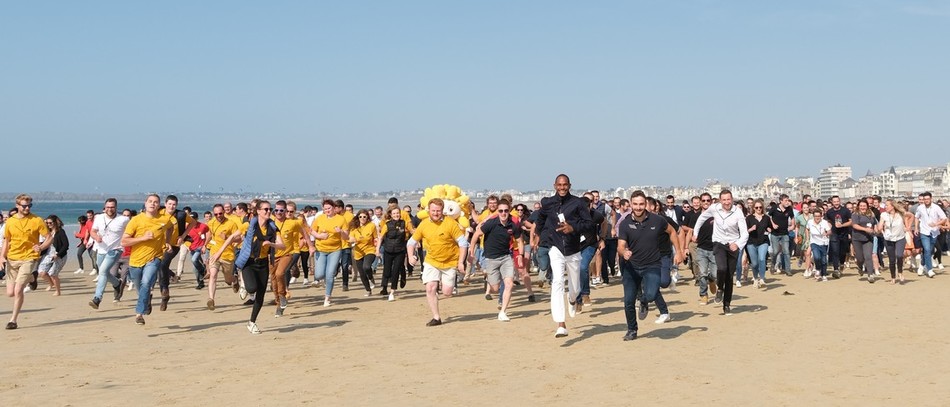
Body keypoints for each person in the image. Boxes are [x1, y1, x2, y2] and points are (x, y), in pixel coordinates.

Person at [617, 191, 685, 341]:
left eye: (641, 204)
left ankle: (644, 301)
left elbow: (672, 232)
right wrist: (624, 252)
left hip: (652, 265)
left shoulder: (657, 220)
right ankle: (632, 329)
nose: (638, 207)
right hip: (631, 266)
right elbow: (620, 245)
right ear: (631, 204)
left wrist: (679, 251)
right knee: (628, 300)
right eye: (635, 204)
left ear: (645, 204)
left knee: (652, 294)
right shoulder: (625, 223)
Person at [534, 174, 593, 338]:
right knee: (558, 281)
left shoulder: (578, 203)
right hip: (555, 248)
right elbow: (540, 220)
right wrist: (541, 235)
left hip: (574, 249)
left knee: (575, 287)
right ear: (554, 185)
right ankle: (561, 324)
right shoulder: (547, 202)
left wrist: (572, 227)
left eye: (565, 185)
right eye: (559, 185)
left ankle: (573, 299)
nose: (562, 187)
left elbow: (589, 224)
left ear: (569, 185)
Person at [407, 198, 468, 326]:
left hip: (449, 261)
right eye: (433, 210)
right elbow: (411, 242)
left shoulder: (450, 223)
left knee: (447, 292)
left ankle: (441, 285)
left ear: (442, 211)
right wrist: (410, 256)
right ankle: (436, 317)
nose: (436, 213)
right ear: (429, 210)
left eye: (438, 211)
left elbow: (463, 243)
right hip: (431, 261)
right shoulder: (423, 224)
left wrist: (461, 262)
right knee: (430, 288)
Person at [692, 190, 748, 315]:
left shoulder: (737, 212)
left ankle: (726, 304)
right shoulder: (714, 208)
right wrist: (695, 233)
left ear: (732, 199)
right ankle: (720, 289)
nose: (726, 202)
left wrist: (737, 244)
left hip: (733, 245)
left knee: (729, 276)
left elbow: (744, 233)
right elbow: (701, 218)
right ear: (720, 200)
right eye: (724, 200)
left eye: (729, 199)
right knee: (721, 268)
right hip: (718, 243)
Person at [120, 194, 173, 326]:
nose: (153, 204)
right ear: (145, 203)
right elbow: (124, 241)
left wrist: (167, 242)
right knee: (140, 288)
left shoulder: (164, 219)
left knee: (146, 283)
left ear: (159, 205)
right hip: (136, 261)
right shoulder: (136, 220)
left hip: (154, 257)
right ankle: (146, 299)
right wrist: (142, 238)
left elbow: (170, 227)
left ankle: (139, 313)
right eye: (150, 201)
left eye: (156, 202)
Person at [1, 194, 52, 329]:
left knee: (18, 290)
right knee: (10, 293)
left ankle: (13, 320)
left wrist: (41, 247)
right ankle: (31, 278)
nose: (27, 208)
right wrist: (2, 257)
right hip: (12, 259)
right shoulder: (10, 222)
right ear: (17, 206)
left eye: (29, 205)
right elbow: (7, 241)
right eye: (24, 206)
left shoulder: (37, 220)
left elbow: (49, 237)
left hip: (28, 258)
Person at [235, 201, 285, 334]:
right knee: (252, 288)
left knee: (260, 296)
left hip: (263, 263)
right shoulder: (249, 225)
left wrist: (271, 244)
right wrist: (218, 252)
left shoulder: (273, 228)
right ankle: (243, 284)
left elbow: (282, 245)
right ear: (258, 211)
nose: (269, 211)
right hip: (249, 262)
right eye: (265, 209)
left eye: (270, 209)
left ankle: (252, 322)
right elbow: (232, 237)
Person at [468, 199, 522, 322]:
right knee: (495, 288)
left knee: (509, 284)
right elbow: (476, 235)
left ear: (509, 211)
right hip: (491, 258)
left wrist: (520, 255)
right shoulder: (491, 223)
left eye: (506, 211)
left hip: (506, 257)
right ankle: (489, 280)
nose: (503, 213)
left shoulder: (512, 225)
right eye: (501, 211)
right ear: (498, 211)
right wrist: (471, 252)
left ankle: (503, 312)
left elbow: (519, 240)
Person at [88, 198, 130, 309]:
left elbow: (131, 232)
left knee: (102, 271)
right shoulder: (99, 218)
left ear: (116, 207)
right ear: (104, 207)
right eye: (107, 207)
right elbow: (93, 231)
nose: (109, 209)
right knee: (104, 272)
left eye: (112, 207)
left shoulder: (123, 219)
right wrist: (96, 237)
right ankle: (117, 283)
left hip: (116, 249)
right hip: (101, 249)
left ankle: (97, 298)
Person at [157, 195, 196, 311]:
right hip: (158, 245)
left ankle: (164, 290)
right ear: (165, 203)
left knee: (163, 264)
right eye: (169, 204)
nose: (172, 206)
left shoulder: (181, 215)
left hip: (174, 245)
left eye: (174, 204)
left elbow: (193, 223)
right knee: (158, 266)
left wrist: (183, 236)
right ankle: (164, 292)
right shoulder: (159, 212)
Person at [310, 199, 349, 307]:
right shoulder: (319, 218)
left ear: (334, 208)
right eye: (325, 208)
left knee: (330, 273)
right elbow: (311, 230)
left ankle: (327, 298)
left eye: (329, 208)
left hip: (335, 250)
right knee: (319, 274)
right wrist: (319, 236)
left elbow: (346, 236)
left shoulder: (341, 219)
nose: (327, 210)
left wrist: (341, 232)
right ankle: (323, 281)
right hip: (321, 249)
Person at [205, 204, 242, 311]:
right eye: (216, 214)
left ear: (223, 213)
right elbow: (209, 234)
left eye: (220, 213)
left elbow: (239, 239)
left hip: (228, 255)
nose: (218, 216)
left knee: (228, 279)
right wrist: (204, 245)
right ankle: (211, 299)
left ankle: (235, 281)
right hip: (214, 253)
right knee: (213, 275)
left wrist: (228, 238)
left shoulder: (231, 223)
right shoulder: (211, 223)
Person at [377, 207, 409, 301]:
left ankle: (392, 292)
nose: (396, 215)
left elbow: (413, 231)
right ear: (391, 215)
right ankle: (402, 272)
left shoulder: (404, 223)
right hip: (388, 250)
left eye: (398, 213)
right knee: (387, 272)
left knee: (395, 271)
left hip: (400, 250)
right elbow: (381, 237)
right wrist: (377, 250)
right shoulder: (387, 225)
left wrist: (416, 242)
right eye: (394, 213)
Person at [914, 192, 948, 278]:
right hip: (924, 232)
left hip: (934, 232)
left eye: (927, 199)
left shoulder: (936, 208)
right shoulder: (920, 208)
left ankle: (922, 265)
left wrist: (936, 224)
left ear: (931, 199)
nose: (926, 201)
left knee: (928, 251)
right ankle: (930, 269)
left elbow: (944, 218)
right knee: (927, 249)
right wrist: (916, 228)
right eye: (924, 199)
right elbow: (916, 217)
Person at [348, 209, 378, 297]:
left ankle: (371, 278)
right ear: (358, 217)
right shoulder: (354, 228)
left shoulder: (371, 226)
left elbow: (376, 237)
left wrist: (377, 248)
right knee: (361, 273)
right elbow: (350, 238)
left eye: (364, 217)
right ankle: (368, 290)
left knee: (367, 267)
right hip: (358, 252)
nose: (362, 218)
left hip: (370, 250)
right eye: (360, 217)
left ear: (367, 217)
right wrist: (352, 240)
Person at [37, 215, 68, 296]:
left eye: (50, 223)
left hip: (60, 255)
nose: (48, 224)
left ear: (55, 222)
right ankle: (51, 284)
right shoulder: (48, 233)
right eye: (47, 223)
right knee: (41, 272)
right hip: (49, 255)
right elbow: (44, 244)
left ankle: (58, 291)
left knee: (52, 273)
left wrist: (58, 254)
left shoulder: (60, 231)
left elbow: (66, 245)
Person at [878, 199, 908, 284]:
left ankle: (900, 272)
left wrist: (907, 227)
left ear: (893, 206)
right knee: (891, 259)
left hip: (900, 238)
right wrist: (880, 227)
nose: (885, 207)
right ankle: (893, 277)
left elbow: (912, 216)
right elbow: (880, 225)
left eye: (887, 205)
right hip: (888, 239)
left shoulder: (901, 214)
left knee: (899, 255)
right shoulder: (884, 215)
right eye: (885, 205)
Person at [824, 196, 852, 279]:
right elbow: (828, 221)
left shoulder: (845, 210)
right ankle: (836, 269)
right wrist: (828, 229)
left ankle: (842, 263)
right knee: (835, 251)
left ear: (840, 201)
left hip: (844, 233)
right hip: (834, 234)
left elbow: (851, 222)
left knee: (843, 252)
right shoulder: (829, 212)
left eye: (837, 201)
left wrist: (842, 225)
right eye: (834, 202)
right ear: (832, 202)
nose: (836, 203)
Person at [746, 198, 771, 289]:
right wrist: (751, 229)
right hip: (751, 242)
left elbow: (769, 227)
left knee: (761, 259)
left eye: (760, 207)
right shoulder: (749, 218)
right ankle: (756, 278)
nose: (759, 209)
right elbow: (744, 231)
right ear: (753, 208)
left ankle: (762, 278)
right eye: (756, 207)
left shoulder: (766, 218)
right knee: (754, 263)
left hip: (763, 241)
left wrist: (769, 229)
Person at [851, 200, 879, 283]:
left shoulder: (871, 215)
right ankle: (860, 266)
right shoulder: (855, 214)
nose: (863, 207)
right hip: (857, 239)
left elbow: (874, 225)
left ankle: (870, 274)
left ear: (867, 206)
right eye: (861, 206)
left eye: (864, 206)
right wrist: (865, 229)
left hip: (868, 239)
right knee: (860, 258)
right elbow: (854, 225)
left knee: (868, 256)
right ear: (858, 206)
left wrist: (876, 231)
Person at [768, 194, 795, 276]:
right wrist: (772, 224)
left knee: (786, 251)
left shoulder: (789, 209)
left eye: (788, 200)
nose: (787, 202)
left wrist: (793, 225)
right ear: (781, 201)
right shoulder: (774, 208)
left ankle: (788, 269)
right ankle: (773, 264)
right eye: (785, 201)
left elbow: (792, 218)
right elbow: (768, 216)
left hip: (785, 234)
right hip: (775, 234)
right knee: (775, 251)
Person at [808, 209, 832, 281]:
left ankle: (824, 274)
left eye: (819, 216)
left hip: (824, 243)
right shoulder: (810, 222)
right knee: (817, 257)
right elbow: (807, 229)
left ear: (821, 216)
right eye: (815, 216)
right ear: (813, 216)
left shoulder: (824, 222)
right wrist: (807, 238)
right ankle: (818, 269)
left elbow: (830, 231)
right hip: (814, 242)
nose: (817, 218)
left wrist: (827, 233)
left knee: (824, 260)